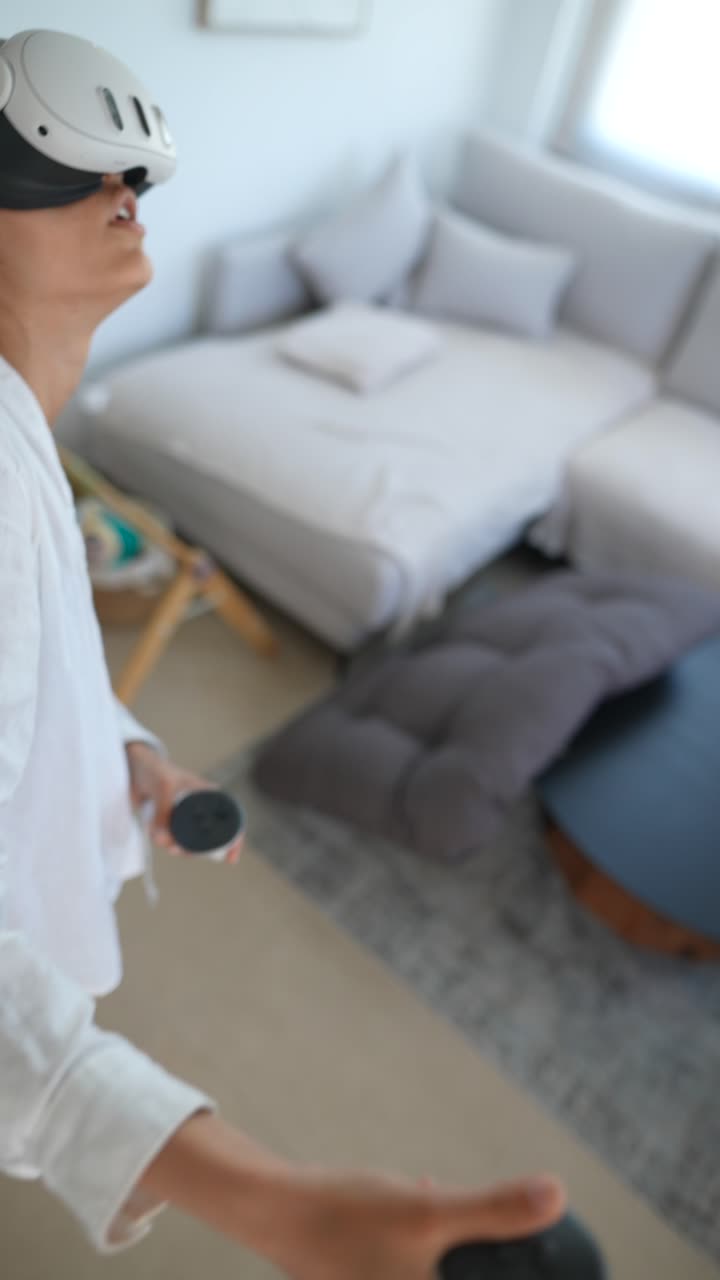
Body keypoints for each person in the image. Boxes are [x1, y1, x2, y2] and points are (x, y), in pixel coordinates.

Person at [0, 29, 566, 1276]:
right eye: (68, 169)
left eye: (132, 178)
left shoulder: (27, 423)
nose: (121, 201)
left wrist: (135, 757)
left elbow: (34, 680)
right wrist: (278, 1203)